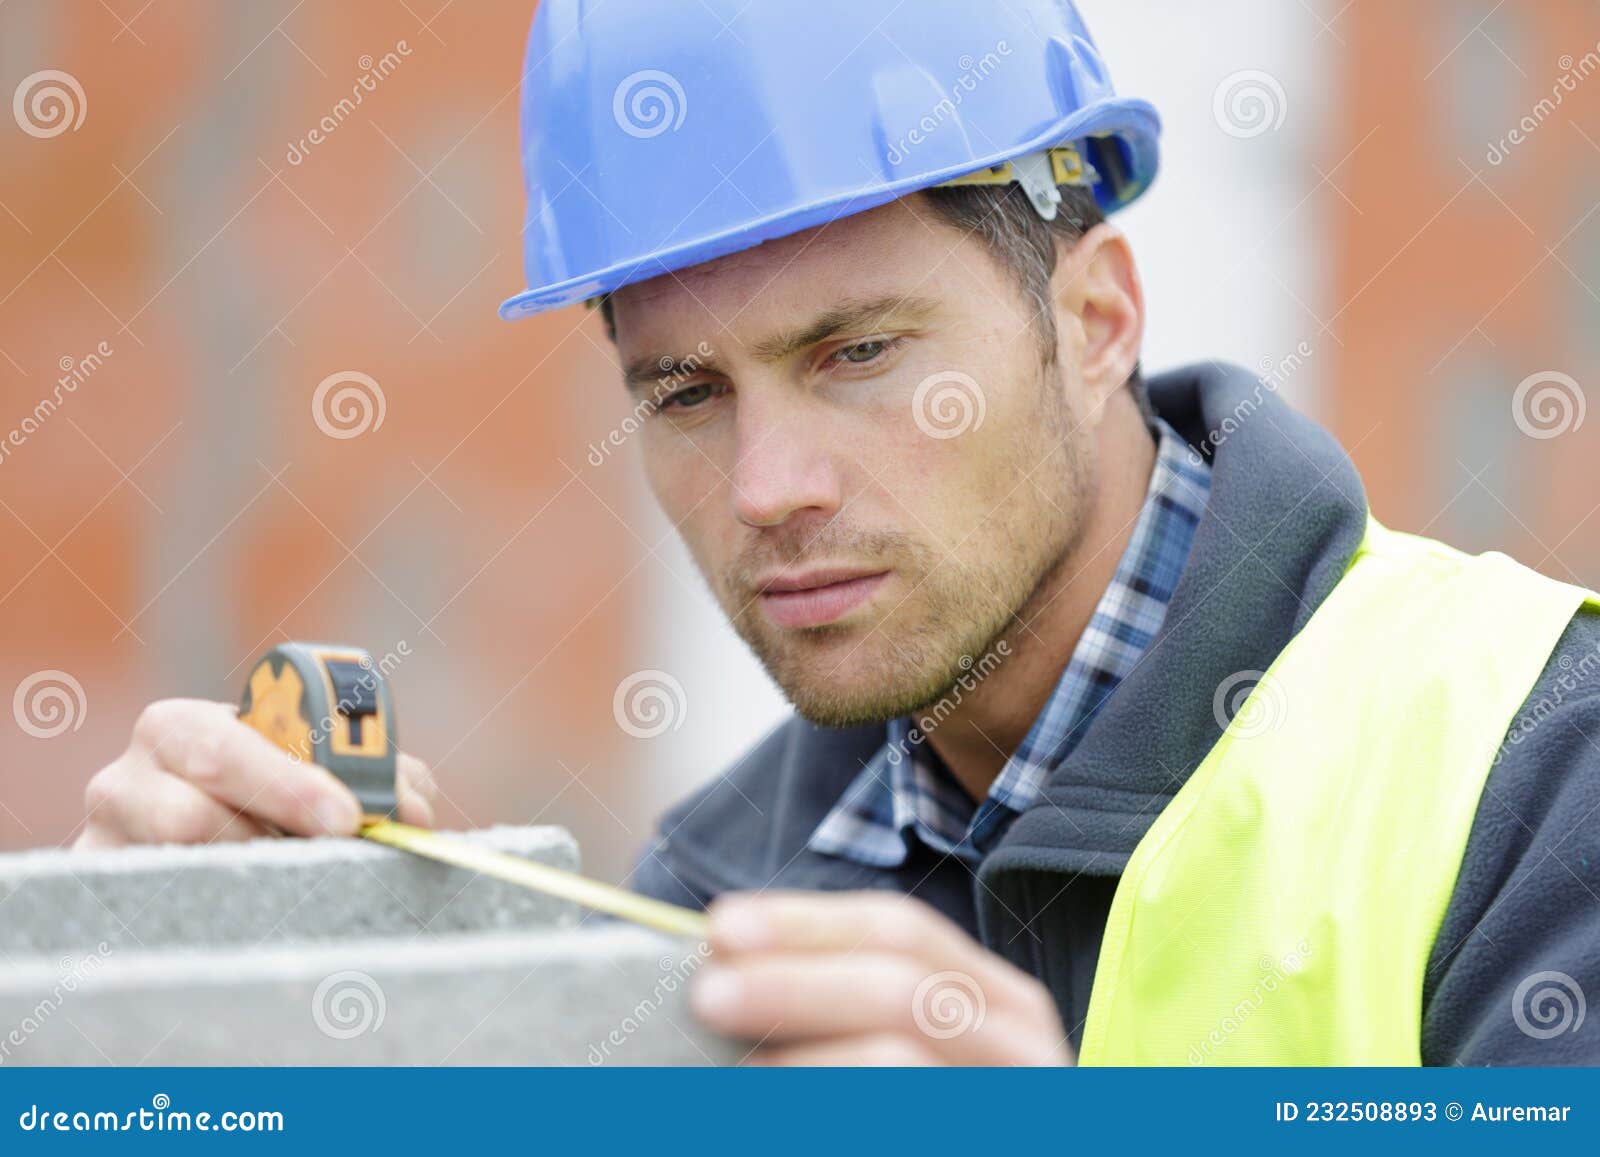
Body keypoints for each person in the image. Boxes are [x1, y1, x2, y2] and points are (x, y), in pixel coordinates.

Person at [74, 1, 1600, 1066]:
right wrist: (174, 1012)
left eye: (858, 353)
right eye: (684, 391)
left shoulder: (1535, 777)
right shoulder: (704, 901)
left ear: (1093, 319)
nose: (766, 487)